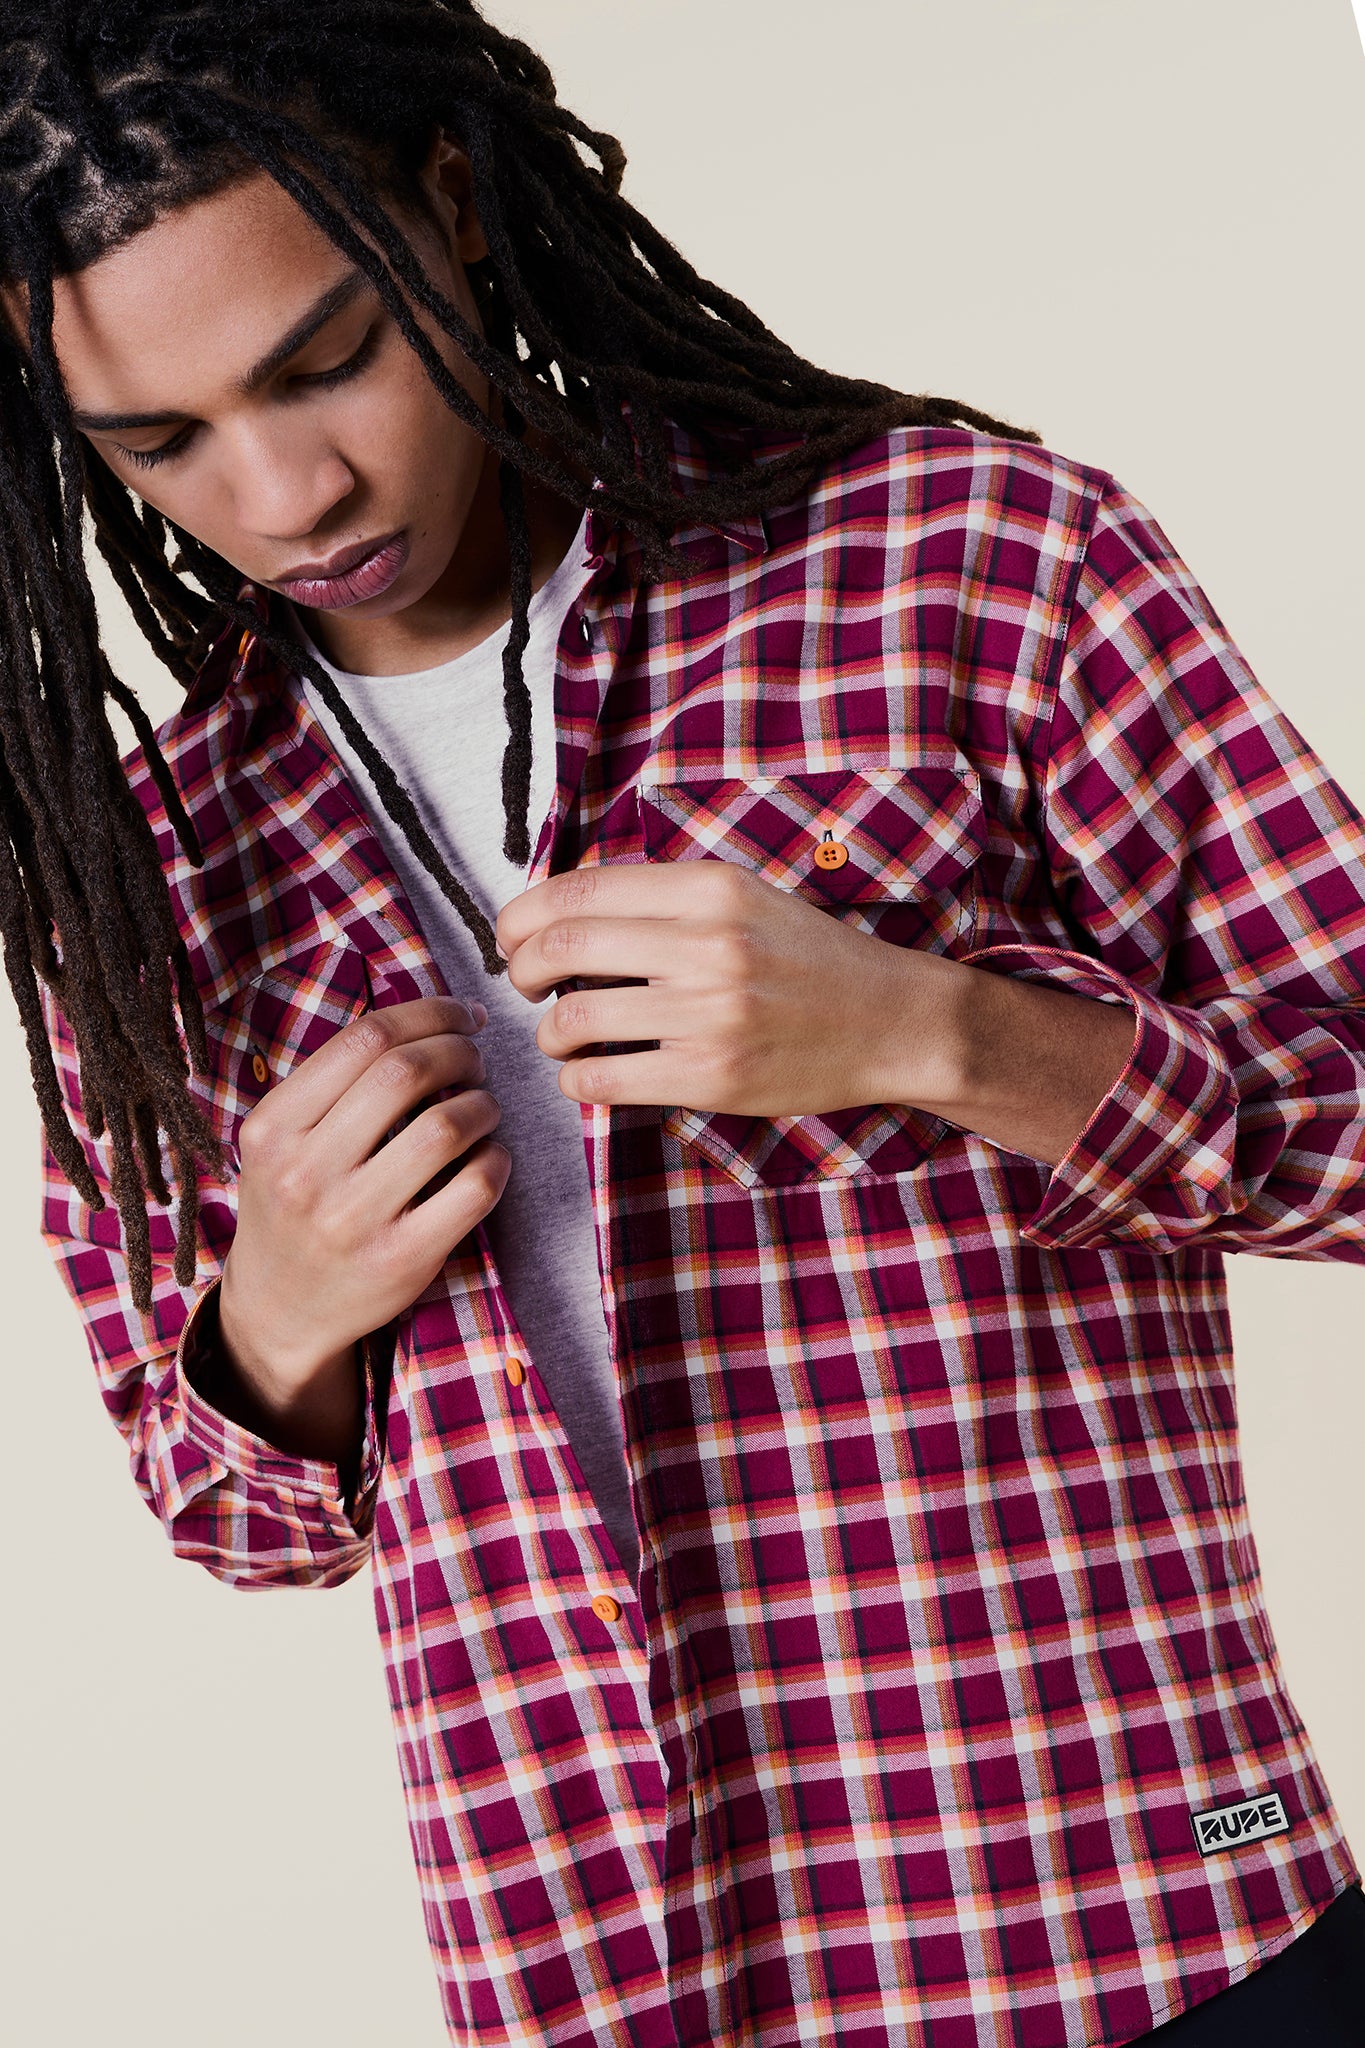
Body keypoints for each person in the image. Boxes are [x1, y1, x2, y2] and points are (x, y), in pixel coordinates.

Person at [2, 2, 1362, 2042]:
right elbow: (230, 1516)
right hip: (617, 1977)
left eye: (326, 358)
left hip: (1133, 1923)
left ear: (451, 207)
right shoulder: (154, 871)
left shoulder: (962, 558)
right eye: (159, 443)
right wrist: (277, 1316)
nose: (288, 491)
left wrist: (937, 1033)